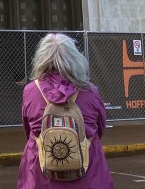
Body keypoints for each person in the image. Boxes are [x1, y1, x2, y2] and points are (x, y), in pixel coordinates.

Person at [17, 33, 109, 188]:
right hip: (87, 173)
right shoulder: (90, 91)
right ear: (75, 58)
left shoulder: (31, 90)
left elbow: (29, 130)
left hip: (41, 173)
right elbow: (99, 128)